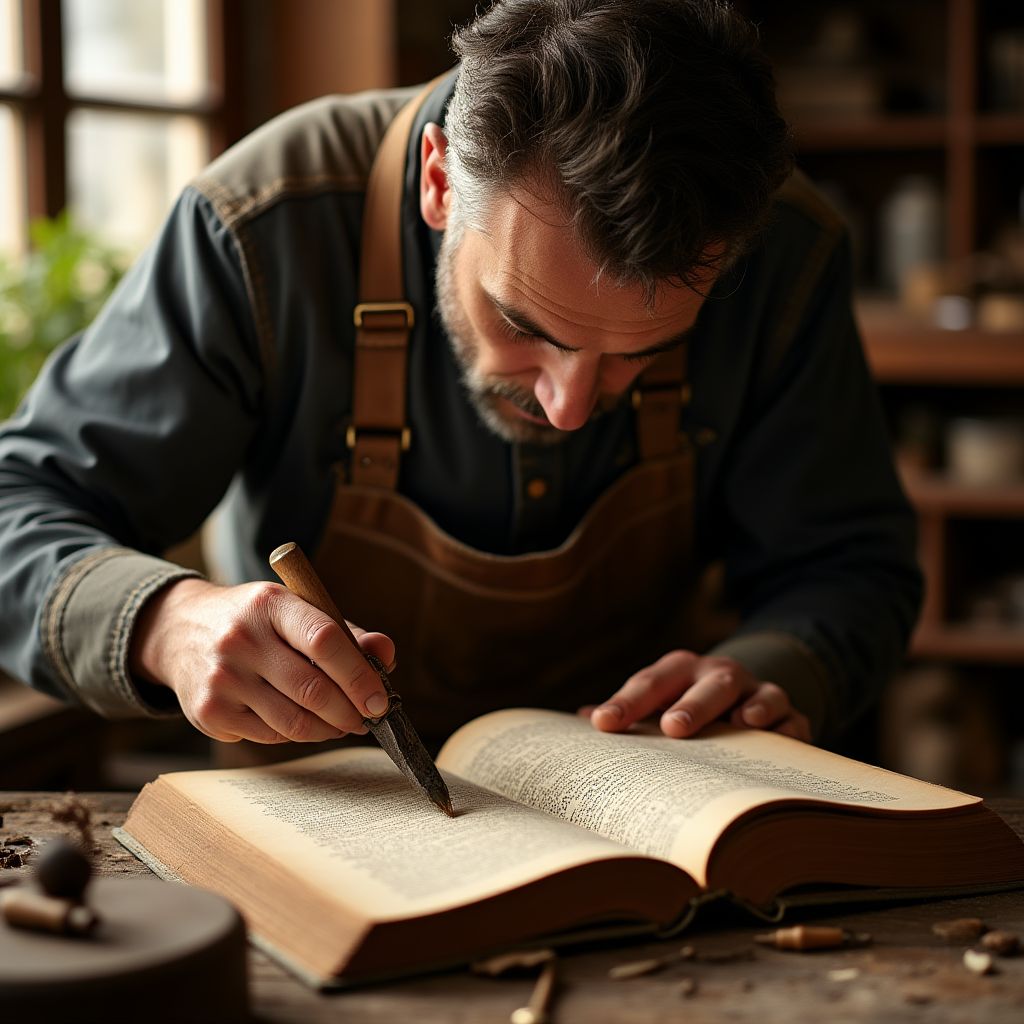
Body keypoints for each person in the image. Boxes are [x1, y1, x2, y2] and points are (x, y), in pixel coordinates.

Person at [0, 0, 920, 755]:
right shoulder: (263, 225)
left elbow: (848, 565)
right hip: (316, 816)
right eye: (524, 325)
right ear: (440, 181)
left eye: (641, 355)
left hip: (640, 821)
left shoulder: (783, 250)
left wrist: (773, 668)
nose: (567, 408)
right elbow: (16, 504)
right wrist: (165, 620)